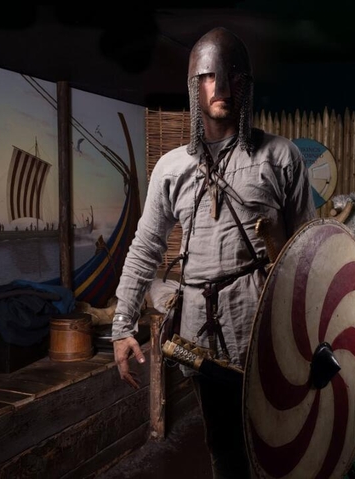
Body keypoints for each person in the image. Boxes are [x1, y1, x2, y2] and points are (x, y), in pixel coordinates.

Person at [111, 26, 316, 478]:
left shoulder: (280, 158)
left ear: (246, 85)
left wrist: (314, 338)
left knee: (281, 438)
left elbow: (309, 255)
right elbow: (145, 246)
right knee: (223, 447)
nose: (220, 88)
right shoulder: (172, 168)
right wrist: (123, 324)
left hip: (263, 325)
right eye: (207, 76)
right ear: (192, 86)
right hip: (201, 336)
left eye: (231, 77)